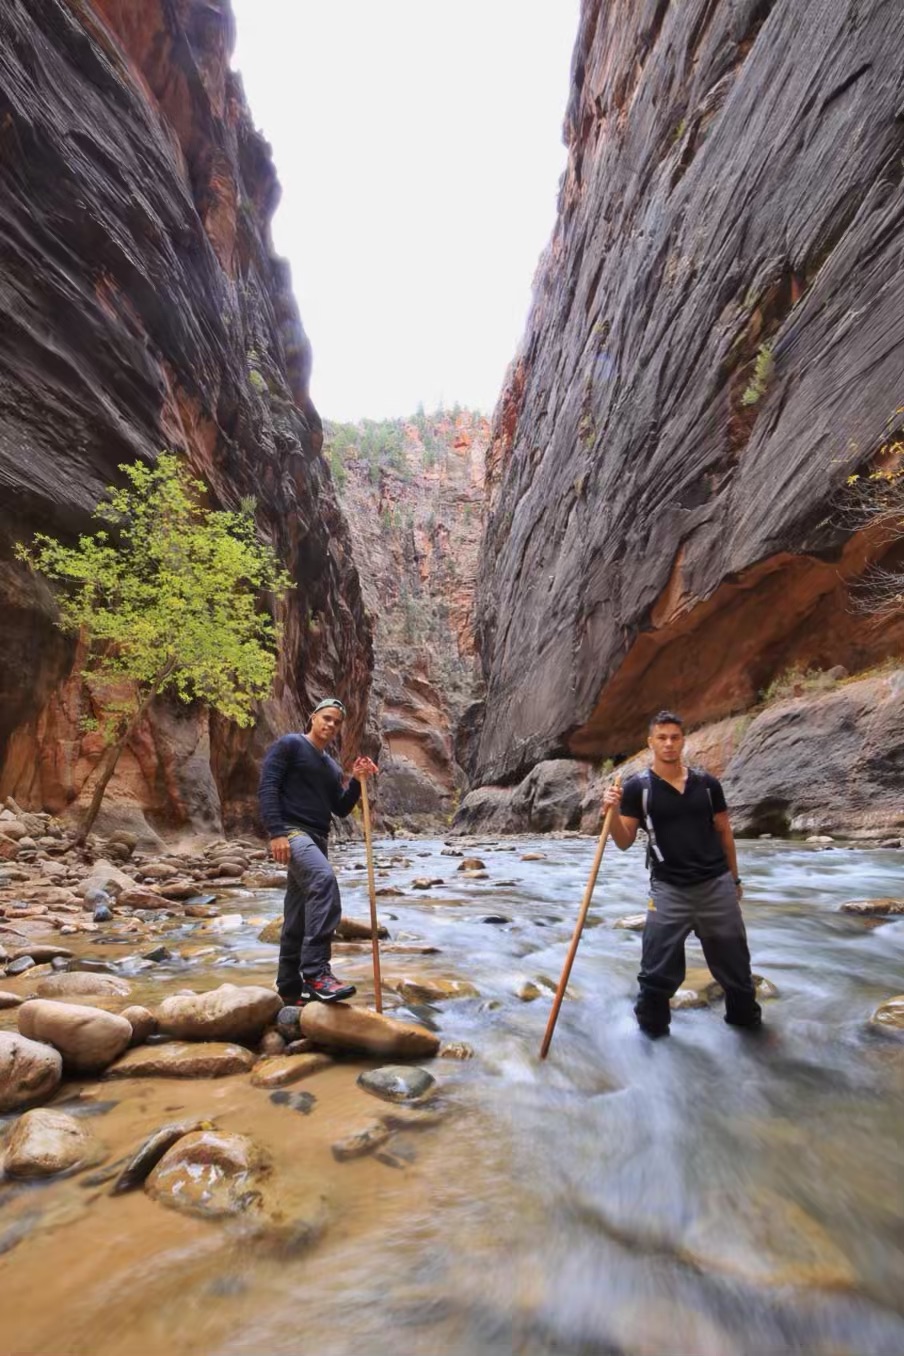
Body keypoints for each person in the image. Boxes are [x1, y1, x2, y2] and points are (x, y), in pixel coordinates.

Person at [602, 709, 761, 1038]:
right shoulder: (637, 789)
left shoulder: (707, 785)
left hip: (715, 886)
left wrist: (735, 880)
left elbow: (725, 834)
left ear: (683, 741)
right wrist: (612, 811)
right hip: (668, 890)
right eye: (662, 738)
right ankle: (652, 1039)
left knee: (737, 970)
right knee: (655, 974)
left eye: (675, 737)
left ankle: (748, 1031)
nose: (669, 744)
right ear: (651, 743)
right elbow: (623, 841)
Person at [258, 697, 378, 1004]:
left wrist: (356, 781)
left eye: (337, 722)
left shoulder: (330, 766)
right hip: (293, 833)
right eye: (326, 718)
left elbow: (339, 808)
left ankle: (288, 988)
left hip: (318, 838)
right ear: (312, 717)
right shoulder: (290, 745)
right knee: (324, 882)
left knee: (297, 915)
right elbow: (268, 786)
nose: (331, 725)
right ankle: (316, 973)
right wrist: (276, 833)